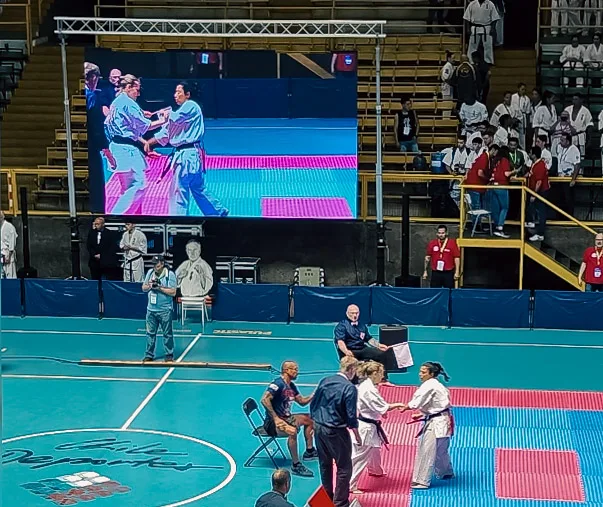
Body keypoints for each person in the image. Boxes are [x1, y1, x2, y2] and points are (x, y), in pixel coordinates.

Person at [146, 82, 229, 217]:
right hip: (190, 154)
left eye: (179, 92)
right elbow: (166, 133)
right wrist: (148, 143)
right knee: (197, 187)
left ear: (187, 94)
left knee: (179, 190)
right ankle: (217, 212)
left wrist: (165, 114)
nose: (175, 95)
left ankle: (178, 220)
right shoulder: (178, 111)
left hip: (187, 154)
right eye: (175, 92)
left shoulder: (191, 105)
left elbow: (176, 118)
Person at [104, 74, 168, 215]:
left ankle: (133, 220)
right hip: (125, 149)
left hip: (117, 146)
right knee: (138, 186)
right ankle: (116, 216)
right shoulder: (128, 103)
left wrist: (140, 113)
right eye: (136, 90)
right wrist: (164, 120)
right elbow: (147, 126)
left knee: (127, 188)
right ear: (128, 87)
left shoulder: (117, 101)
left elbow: (125, 122)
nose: (138, 94)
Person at [310, 356, 361, 507]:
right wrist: (357, 434)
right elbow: (351, 415)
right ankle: (340, 502)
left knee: (324, 464)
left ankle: (326, 497)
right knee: (344, 467)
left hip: (319, 426)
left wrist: (315, 423)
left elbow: (314, 403)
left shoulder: (325, 381)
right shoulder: (349, 388)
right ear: (352, 369)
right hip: (336, 430)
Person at [350, 361, 407, 494]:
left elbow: (376, 406)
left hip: (369, 422)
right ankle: (350, 484)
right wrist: (397, 404)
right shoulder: (368, 389)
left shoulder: (368, 385)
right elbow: (382, 406)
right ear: (374, 374)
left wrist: (381, 412)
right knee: (361, 456)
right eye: (381, 373)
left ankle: (375, 470)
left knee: (374, 449)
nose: (383, 376)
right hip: (366, 427)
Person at [400, 362, 454, 490]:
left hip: (436, 423)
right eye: (420, 371)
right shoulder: (438, 385)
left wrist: (407, 406)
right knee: (441, 449)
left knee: (427, 450)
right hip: (443, 419)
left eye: (424, 372)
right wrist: (422, 414)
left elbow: (417, 401)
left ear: (431, 374)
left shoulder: (429, 385)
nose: (420, 374)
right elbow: (436, 405)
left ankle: (421, 480)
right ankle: (445, 472)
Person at [261, 361, 317, 478]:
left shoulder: (291, 386)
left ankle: (309, 451)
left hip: (286, 418)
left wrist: (314, 394)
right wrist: (276, 418)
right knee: (292, 431)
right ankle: (296, 465)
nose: (297, 372)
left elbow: (302, 402)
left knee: (310, 419)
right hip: (272, 423)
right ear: (286, 370)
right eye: (295, 369)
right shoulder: (277, 384)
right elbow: (264, 400)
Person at [334, 305, 393, 382]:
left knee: (381, 354)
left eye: (356, 313)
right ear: (347, 313)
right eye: (352, 313)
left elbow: (368, 338)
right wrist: (346, 351)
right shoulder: (341, 326)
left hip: (361, 348)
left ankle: (383, 378)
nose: (355, 315)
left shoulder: (362, 325)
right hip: (349, 350)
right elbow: (340, 342)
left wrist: (378, 345)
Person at [142, 255, 177, 362]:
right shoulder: (150, 273)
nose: (154, 266)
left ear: (162, 264)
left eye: (156, 264)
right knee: (150, 333)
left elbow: (173, 292)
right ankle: (149, 354)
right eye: (153, 264)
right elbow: (143, 288)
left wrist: (159, 288)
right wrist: (150, 286)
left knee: (167, 334)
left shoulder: (169, 275)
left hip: (165, 310)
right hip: (151, 310)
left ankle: (169, 354)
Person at [489, 145, 519, 238]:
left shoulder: (495, 161)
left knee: (496, 208)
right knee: (504, 208)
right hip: (502, 186)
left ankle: (496, 227)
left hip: (494, 186)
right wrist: (515, 171)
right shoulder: (504, 160)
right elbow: (506, 174)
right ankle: (500, 227)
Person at [526, 146, 550, 242]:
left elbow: (539, 182)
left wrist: (534, 194)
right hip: (536, 191)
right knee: (533, 208)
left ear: (534, 155)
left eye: (530, 153)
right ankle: (530, 222)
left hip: (541, 192)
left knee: (541, 213)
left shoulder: (540, 165)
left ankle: (540, 234)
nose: (529, 154)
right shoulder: (535, 164)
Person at [464, 0, 500, 65]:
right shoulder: (472, 4)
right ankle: (470, 60)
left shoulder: (490, 4)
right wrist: (468, 29)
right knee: (472, 45)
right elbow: (466, 18)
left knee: (488, 45)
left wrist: (493, 28)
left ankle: (488, 61)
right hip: (475, 27)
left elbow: (495, 18)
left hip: (486, 26)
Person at [511, 83, 532, 149]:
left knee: (522, 136)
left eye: (525, 90)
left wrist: (527, 124)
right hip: (514, 117)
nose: (523, 91)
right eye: (522, 89)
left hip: (523, 118)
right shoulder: (513, 97)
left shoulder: (527, 99)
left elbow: (528, 112)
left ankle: (522, 150)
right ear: (518, 89)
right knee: (513, 134)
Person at [0, 211, 17, 279]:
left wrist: (9, 256)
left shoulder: (9, 227)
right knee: (1, 274)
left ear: (3, 217)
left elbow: (12, 242)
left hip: (8, 254)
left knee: (10, 275)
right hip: (1, 254)